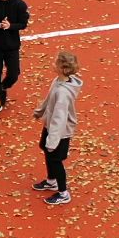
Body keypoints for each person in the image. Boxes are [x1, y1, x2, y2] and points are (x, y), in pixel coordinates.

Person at [32, 51, 83, 207]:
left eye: (56, 63)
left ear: (63, 68)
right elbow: (49, 98)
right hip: (51, 128)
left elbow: (59, 119)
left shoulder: (63, 93)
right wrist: (40, 111)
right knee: (46, 150)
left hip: (59, 133)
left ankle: (63, 192)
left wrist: (53, 140)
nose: (53, 64)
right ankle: (51, 181)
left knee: (55, 160)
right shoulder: (58, 81)